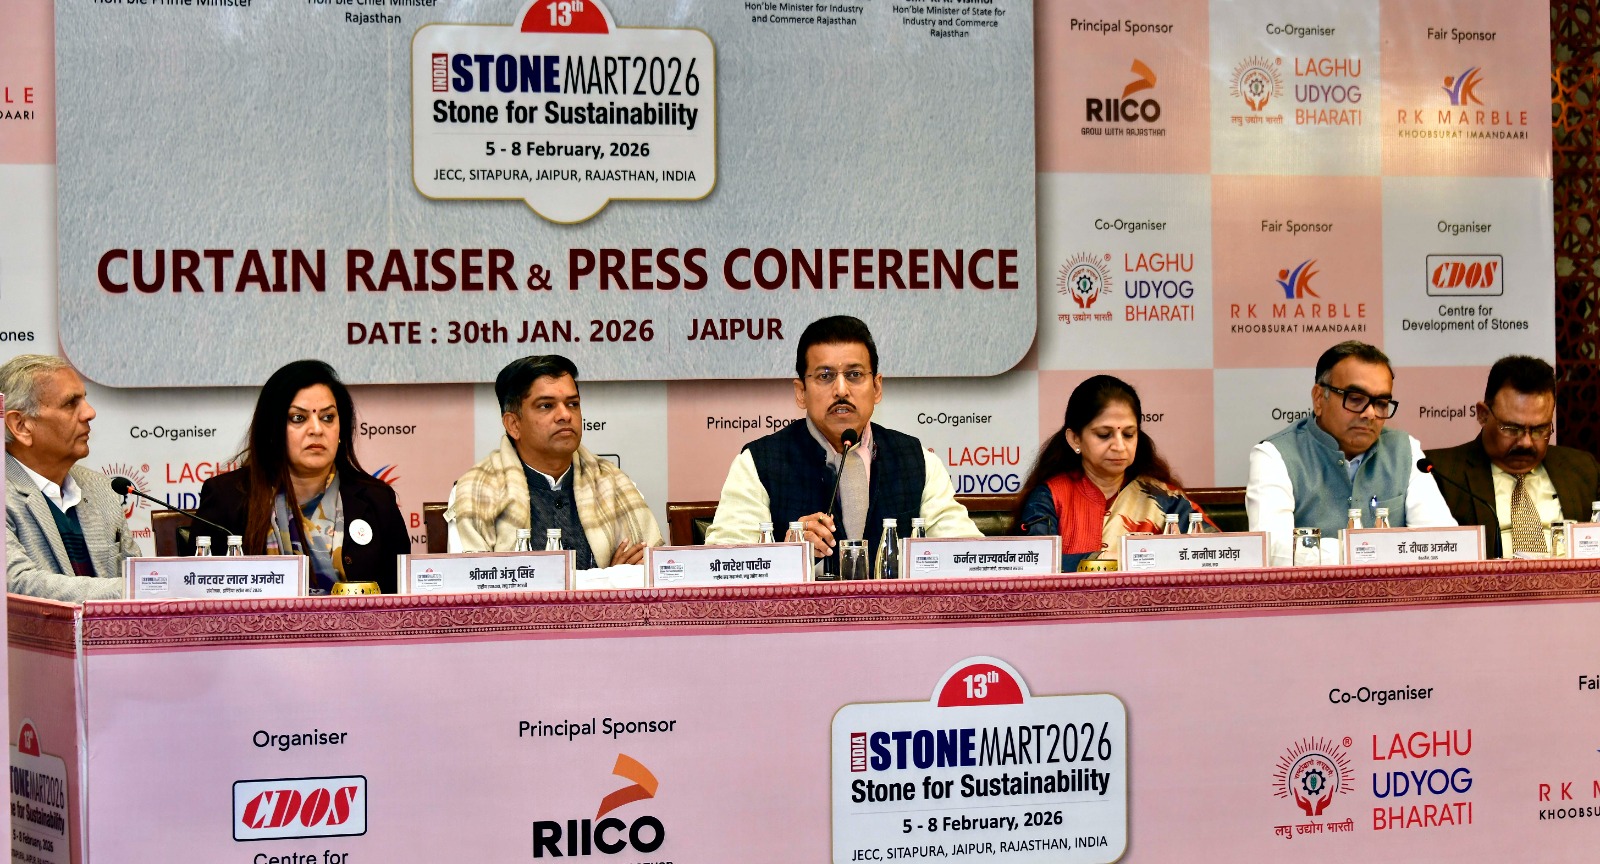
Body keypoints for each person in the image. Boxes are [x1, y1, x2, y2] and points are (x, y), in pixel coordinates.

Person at [705, 315, 978, 564]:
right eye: (825, 376)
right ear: (801, 392)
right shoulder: (757, 463)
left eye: (854, 375)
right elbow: (722, 565)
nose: (841, 390)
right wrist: (785, 556)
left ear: (877, 387)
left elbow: (967, 557)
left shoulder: (918, 460)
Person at [191, 360, 410, 594]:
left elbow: (403, 596)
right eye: (298, 418)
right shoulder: (228, 498)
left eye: (328, 417)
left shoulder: (376, 500)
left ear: (341, 430)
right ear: (273, 429)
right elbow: (198, 594)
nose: (317, 429)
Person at [1247, 340, 1455, 565]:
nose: (1370, 413)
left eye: (1381, 403)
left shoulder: (1406, 450)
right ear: (1319, 398)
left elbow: (1442, 543)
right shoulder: (1274, 456)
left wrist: (1327, 552)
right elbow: (1273, 553)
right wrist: (1373, 549)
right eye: (1355, 399)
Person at [446, 354, 662, 567]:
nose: (565, 415)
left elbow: (653, 570)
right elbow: (473, 580)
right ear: (514, 424)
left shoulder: (614, 483)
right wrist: (610, 576)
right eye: (546, 406)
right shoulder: (475, 491)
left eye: (573, 404)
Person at [1015, 375, 1210, 570]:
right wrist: (1104, 559)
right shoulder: (1050, 497)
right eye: (1104, 435)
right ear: (1075, 438)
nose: (1119, 446)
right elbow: (1033, 563)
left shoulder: (1167, 500)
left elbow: (1214, 553)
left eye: (1128, 434)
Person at [1425, 355, 1600, 558]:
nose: (1526, 442)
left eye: (1539, 430)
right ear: (1483, 414)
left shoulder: (1582, 469)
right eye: (1511, 429)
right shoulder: (1440, 474)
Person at [3, 354, 138, 601]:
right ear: (21, 425)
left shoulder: (102, 489)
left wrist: (151, 584)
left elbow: (136, 572)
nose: (90, 412)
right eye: (70, 404)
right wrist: (138, 588)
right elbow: (17, 584)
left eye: (85, 399)